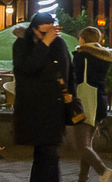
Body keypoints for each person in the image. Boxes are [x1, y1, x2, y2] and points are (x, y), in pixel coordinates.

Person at [12, 12, 73, 182]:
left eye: (50, 32)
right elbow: (27, 68)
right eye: (43, 32)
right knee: (43, 152)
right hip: (33, 108)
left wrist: (70, 96)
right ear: (33, 29)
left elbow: (68, 70)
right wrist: (44, 44)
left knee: (49, 152)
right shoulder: (22, 45)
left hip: (54, 106)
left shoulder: (58, 44)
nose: (48, 36)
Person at [67, 26, 112, 182]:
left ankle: (103, 171)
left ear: (82, 39)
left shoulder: (82, 56)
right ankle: (82, 178)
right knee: (87, 144)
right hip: (99, 102)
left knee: (81, 145)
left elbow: (74, 79)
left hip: (84, 102)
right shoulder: (103, 57)